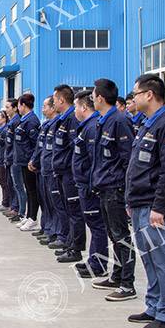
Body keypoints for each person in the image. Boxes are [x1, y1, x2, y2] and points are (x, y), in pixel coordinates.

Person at [125, 74, 165, 328]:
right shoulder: (148, 124)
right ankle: (154, 306)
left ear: (149, 95)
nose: (133, 98)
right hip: (140, 203)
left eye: (136, 93)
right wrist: (130, 200)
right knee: (149, 259)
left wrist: (160, 207)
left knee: (164, 261)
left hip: (154, 207)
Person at [90, 78, 136, 301]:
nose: (92, 99)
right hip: (105, 186)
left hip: (116, 188)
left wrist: (128, 194)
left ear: (100, 98)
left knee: (121, 236)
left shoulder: (119, 120)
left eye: (93, 95)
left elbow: (128, 160)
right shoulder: (104, 120)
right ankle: (117, 276)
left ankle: (127, 284)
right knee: (113, 235)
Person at [71, 91, 108, 279]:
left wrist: (91, 184)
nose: (74, 110)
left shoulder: (92, 127)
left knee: (97, 225)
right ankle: (94, 260)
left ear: (84, 107)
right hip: (84, 183)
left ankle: (98, 265)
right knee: (93, 224)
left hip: (89, 185)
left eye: (76, 106)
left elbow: (94, 160)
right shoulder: (86, 126)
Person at [48, 85, 84, 261]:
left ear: (61, 100)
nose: (53, 103)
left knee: (74, 212)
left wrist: (67, 167)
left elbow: (73, 149)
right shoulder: (63, 119)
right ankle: (70, 244)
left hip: (69, 173)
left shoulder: (71, 119)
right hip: (62, 172)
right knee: (68, 211)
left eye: (54, 100)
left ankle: (75, 249)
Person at [26, 96, 55, 233]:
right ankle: (47, 228)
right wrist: (34, 160)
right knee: (44, 199)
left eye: (45, 106)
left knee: (54, 203)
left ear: (53, 107)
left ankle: (55, 232)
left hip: (50, 168)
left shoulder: (57, 124)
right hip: (42, 166)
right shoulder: (45, 124)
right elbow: (39, 146)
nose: (42, 109)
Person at [14, 93, 41, 229]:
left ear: (23, 105)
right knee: (29, 189)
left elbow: (35, 143)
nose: (18, 108)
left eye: (19, 105)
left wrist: (33, 160)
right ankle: (29, 216)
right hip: (24, 161)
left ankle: (33, 217)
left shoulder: (31, 121)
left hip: (29, 162)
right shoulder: (25, 120)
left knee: (32, 190)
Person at [4, 99, 23, 222]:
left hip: (14, 158)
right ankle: (13, 206)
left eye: (8, 107)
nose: (5, 110)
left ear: (15, 108)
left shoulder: (16, 122)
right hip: (10, 157)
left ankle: (17, 209)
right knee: (10, 184)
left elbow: (16, 144)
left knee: (17, 186)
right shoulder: (11, 121)